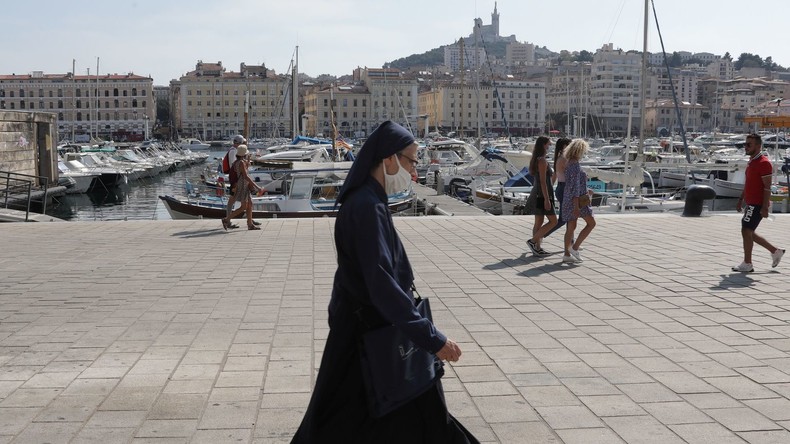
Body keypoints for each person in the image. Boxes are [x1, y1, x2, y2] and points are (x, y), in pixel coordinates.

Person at [292, 121, 478, 444]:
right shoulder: (367, 207)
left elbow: (351, 273)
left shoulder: (366, 200)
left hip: (363, 335)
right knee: (424, 421)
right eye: (411, 162)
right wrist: (431, 338)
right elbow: (381, 283)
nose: (414, 172)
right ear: (389, 159)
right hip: (376, 337)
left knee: (343, 422)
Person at [732, 133, 784, 272]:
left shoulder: (763, 163)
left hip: (757, 203)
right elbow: (748, 183)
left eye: (749, 144)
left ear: (758, 146)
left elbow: (767, 187)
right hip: (750, 203)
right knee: (749, 231)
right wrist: (740, 200)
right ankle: (775, 251)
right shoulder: (752, 162)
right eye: (745, 144)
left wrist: (765, 207)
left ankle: (747, 263)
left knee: (746, 230)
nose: (746, 147)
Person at [562, 139, 596, 263]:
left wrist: (586, 189)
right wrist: (576, 206)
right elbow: (575, 187)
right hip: (579, 200)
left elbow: (572, 184)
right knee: (591, 223)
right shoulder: (575, 165)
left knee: (571, 227)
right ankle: (575, 248)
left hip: (568, 198)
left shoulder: (568, 163)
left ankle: (567, 254)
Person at [525, 136, 558, 257]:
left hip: (538, 192)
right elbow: (543, 182)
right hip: (542, 194)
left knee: (539, 222)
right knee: (553, 221)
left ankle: (537, 248)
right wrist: (547, 199)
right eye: (548, 144)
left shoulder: (536, 159)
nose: (549, 147)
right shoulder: (542, 161)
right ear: (544, 145)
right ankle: (533, 242)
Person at [221, 145, 263, 231]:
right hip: (242, 186)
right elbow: (246, 176)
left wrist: (248, 159)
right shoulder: (241, 163)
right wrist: (257, 187)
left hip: (243, 186)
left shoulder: (237, 162)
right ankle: (226, 219)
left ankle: (250, 224)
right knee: (243, 207)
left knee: (249, 204)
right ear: (244, 154)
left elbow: (245, 168)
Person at [544, 138, 572, 238]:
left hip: (561, 188)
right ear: (564, 146)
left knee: (569, 218)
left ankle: (570, 242)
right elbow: (570, 176)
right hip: (564, 188)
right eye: (569, 145)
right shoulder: (564, 159)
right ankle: (539, 236)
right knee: (563, 220)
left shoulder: (559, 158)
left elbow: (555, 176)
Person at [222, 135, 246, 229]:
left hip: (236, 179)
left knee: (234, 200)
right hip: (236, 179)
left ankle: (249, 220)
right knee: (232, 201)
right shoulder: (233, 151)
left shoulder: (234, 150)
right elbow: (234, 165)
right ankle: (227, 220)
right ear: (239, 143)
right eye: (243, 143)